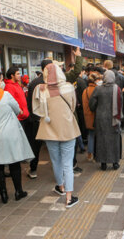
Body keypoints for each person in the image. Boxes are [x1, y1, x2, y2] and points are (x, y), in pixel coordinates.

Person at [0, 70, 33, 204]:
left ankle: (3, 194)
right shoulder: (5, 95)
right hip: (8, 135)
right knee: (14, 163)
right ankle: (18, 191)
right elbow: (16, 109)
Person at [33, 62, 80, 208]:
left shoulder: (39, 89)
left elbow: (36, 110)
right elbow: (72, 106)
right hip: (67, 128)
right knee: (67, 163)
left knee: (55, 160)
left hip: (49, 129)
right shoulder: (69, 87)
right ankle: (69, 197)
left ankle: (60, 187)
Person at [89, 71, 122, 171]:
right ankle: (115, 162)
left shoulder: (98, 89)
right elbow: (121, 103)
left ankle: (103, 163)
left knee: (101, 140)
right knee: (114, 140)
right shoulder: (117, 89)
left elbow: (92, 104)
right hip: (114, 119)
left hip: (101, 118)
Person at [25, 59, 53, 179]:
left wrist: (32, 117)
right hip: (50, 119)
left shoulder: (34, 83)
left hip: (37, 119)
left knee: (35, 146)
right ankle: (58, 170)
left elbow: (29, 103)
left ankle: (33, 169)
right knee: (53, 145)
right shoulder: (54, 82)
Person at [82, 72, 103, 162]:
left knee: (90, 135)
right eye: (98, 79)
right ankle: (96, 155)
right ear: (95, 81)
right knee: (98, 136)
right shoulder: (98, 90)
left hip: (88, 116)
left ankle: (89, 154)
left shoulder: (85, 90)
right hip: (97, 116)